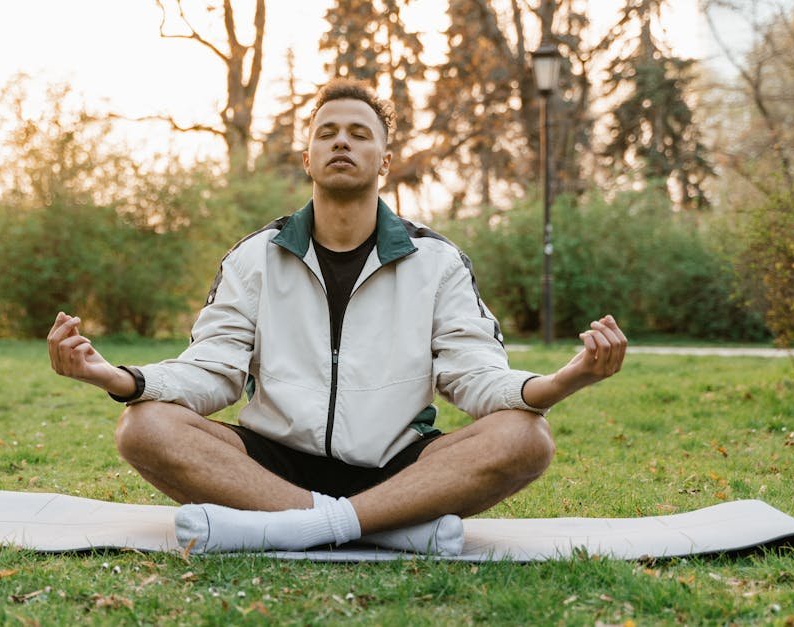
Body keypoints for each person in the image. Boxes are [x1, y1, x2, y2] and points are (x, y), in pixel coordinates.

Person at [47, 78, 627, 555]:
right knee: (143, 427)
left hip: (399, 467)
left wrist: (560, 382)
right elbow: (213, 371)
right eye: (327, 133)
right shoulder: (256, 257)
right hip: (270, 468)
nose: (341, 142)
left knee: (527, 439)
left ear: (385, 160)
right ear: (307, 157)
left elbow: (474, 375)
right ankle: (382, 528)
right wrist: (118, 379)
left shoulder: (438, 263)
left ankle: (303, 526)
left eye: (358, 134)